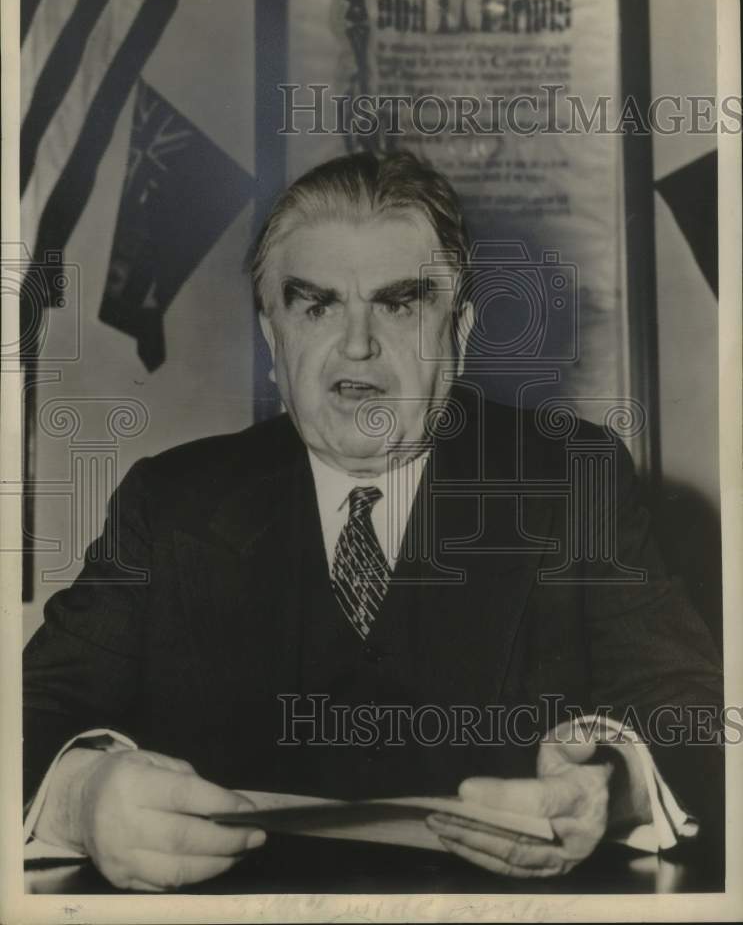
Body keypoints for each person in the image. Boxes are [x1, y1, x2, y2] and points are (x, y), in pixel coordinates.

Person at [23, 151, 724, 891]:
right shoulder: (168, 502)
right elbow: (29, 710)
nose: (356, 344)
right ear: (271, 342)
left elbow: (695, 719)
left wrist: (612, 792)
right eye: (315, 304)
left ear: (457, 334)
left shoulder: (570, 479)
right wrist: (80, 801)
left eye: (399, 303)